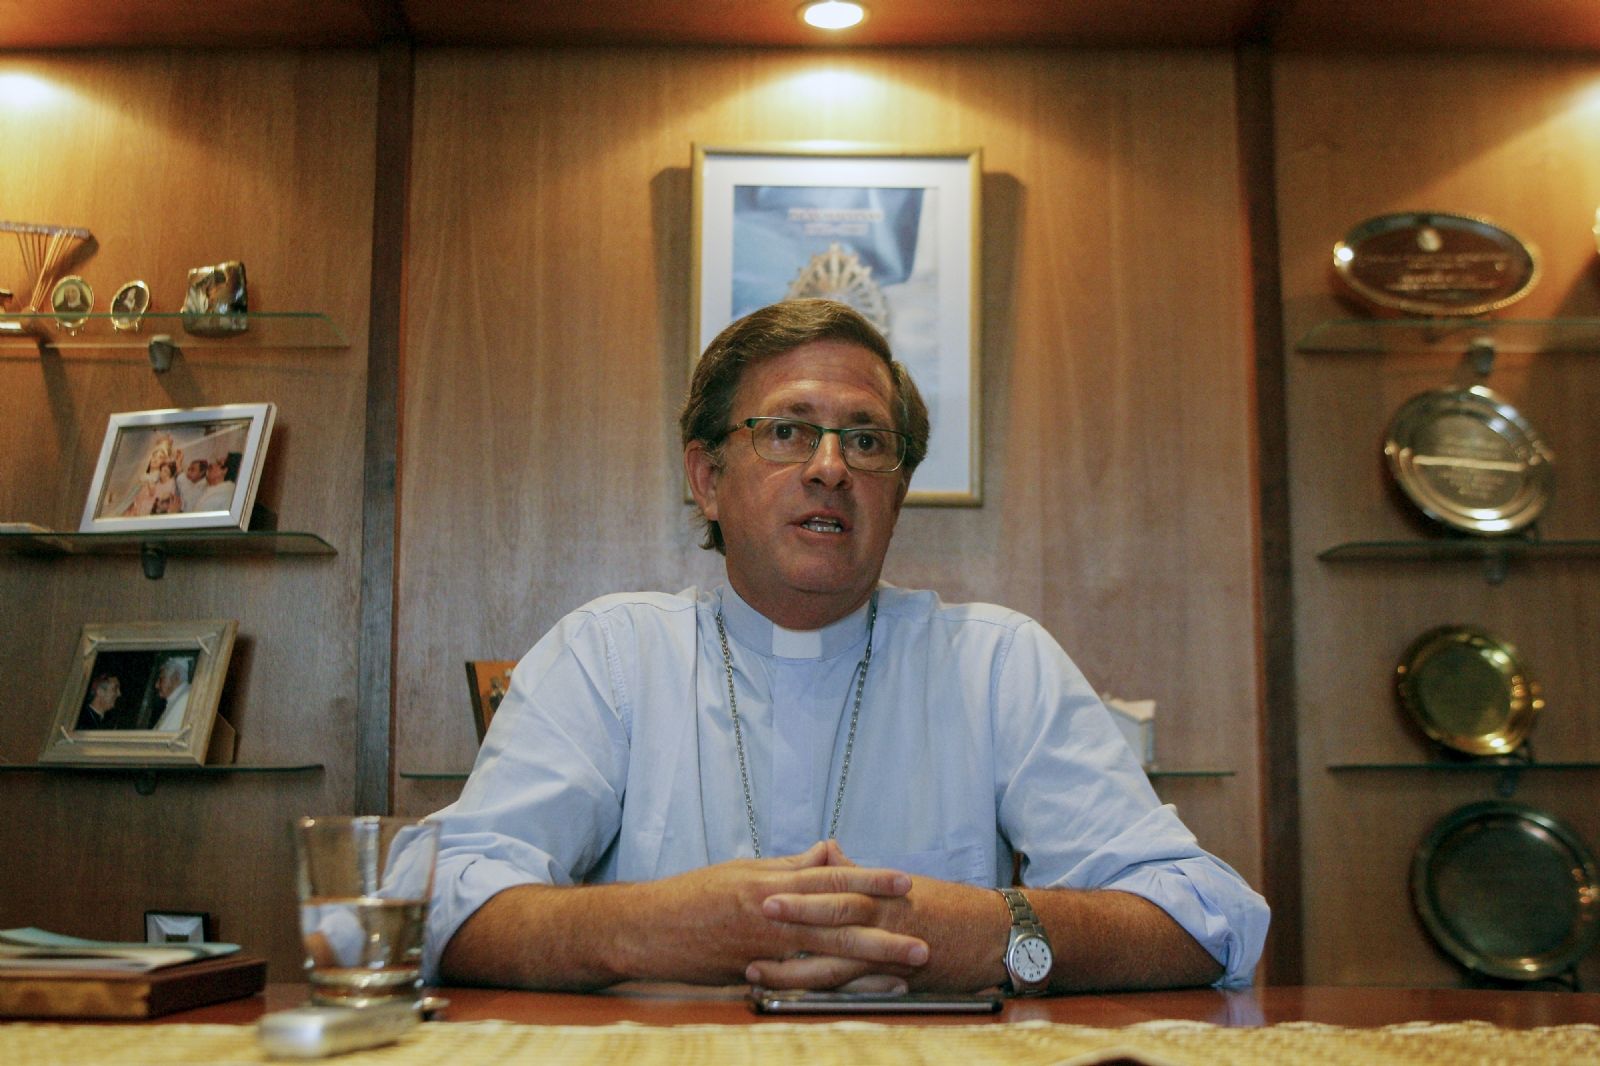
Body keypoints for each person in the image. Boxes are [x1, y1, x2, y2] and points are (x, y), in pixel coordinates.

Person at [424, 298, 1268, 996]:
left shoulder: (998, 664)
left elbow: (1207, 917)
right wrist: (654, 927)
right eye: (787, 432)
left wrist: (980, 932)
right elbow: (435, 904)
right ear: (708, 479)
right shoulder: (608, 656)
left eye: (866, 441)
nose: (831, 467)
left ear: (896, 492)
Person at [150, 656, 193, 732]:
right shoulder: (176, 698)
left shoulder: (185, 698)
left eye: (161, 679)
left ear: (176, 677)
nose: (156, 685)